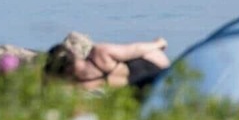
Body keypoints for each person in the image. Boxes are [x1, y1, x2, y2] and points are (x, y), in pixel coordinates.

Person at [43, 32, 171, 92]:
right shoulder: (99, 53)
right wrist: (159, 43)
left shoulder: (78, 86)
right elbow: (134, 49)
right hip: (155, 67)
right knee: (150, 54)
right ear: (74, 54)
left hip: (139, 89)